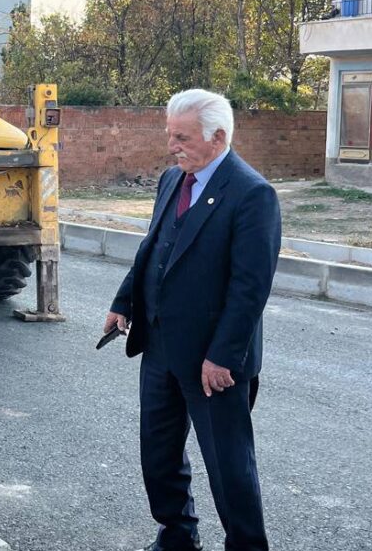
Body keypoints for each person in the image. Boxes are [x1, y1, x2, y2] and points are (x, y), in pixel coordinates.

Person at [105, 89, 281, 551]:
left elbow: (250, 289)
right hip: (161, 346)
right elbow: (152, 248)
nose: (172, 145)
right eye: (170, 135)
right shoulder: (172, 180)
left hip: (213, 360)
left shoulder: (252, 194)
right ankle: (178, 534)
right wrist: (124, 302)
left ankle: (246, 545)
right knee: (158, 455)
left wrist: (223, 356)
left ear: (218, 137)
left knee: (229, 467)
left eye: (182, 137)